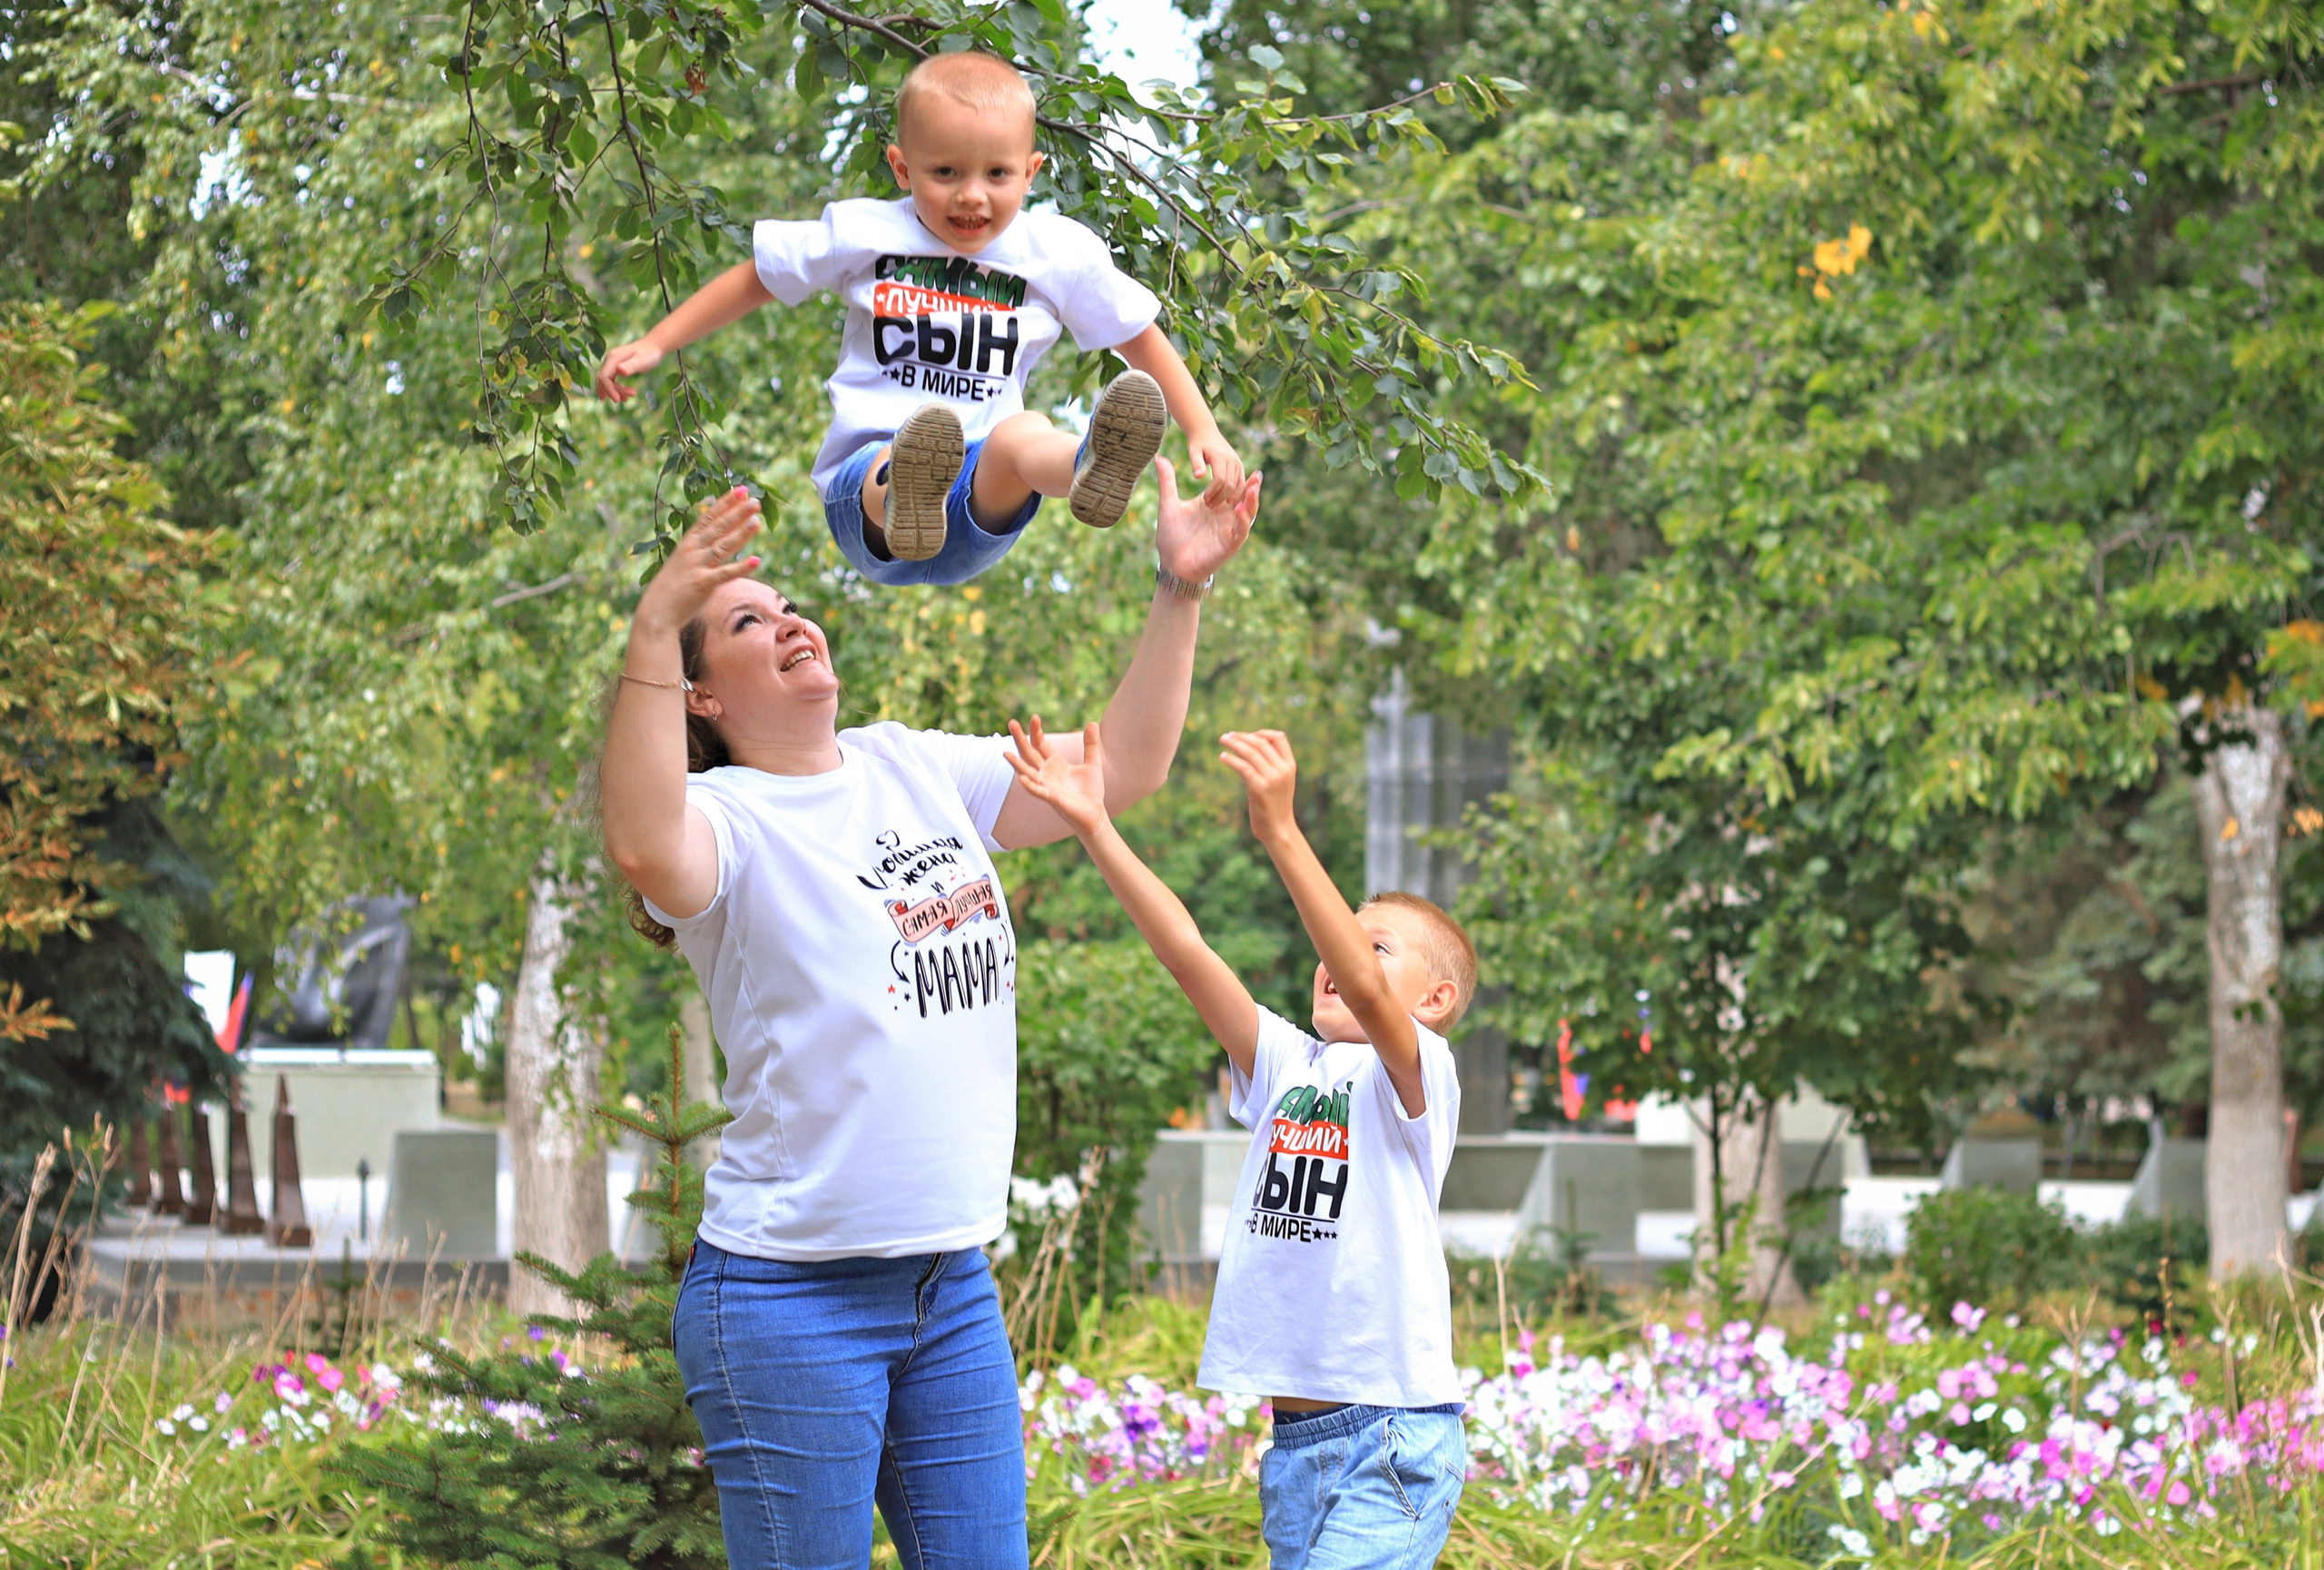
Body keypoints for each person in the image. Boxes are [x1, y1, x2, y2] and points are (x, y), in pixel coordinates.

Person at [599, 456, 1260, 1570]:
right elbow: (639, 840)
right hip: (787, 1299)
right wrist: (650, 628)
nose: (790, 624)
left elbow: (1121, 769)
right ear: (701, 694)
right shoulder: (725, 820)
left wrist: (1179, 585)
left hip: (948, 1286)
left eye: (789, 605)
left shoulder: (912, 765)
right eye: (747, 622)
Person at [1003, 721, 1472, 1570]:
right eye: (1339, 934)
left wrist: (1282, 832)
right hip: (1296, 1445)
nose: (1341, 955)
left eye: (1371, 941)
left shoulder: (1418, 1076)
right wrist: (1094, 826)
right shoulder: (1289, 1063)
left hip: (1392, 1442)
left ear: (1435, 998)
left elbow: (1368, 993)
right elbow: (1186, 954)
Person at [593, 50, 1244, 586]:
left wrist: (1202, 429)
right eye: (945, 172)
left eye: (997, 174)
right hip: (866, 498)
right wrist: (656, 342)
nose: (971, 194)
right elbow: (760, 277)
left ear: (1031, 172)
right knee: (900, 453)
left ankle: (1088, 465)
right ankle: (908, 489)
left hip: (979, 504)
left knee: (1022, 434)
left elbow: (1138, 336)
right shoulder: (866, 232)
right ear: (902, 168)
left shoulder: (1057, 251)